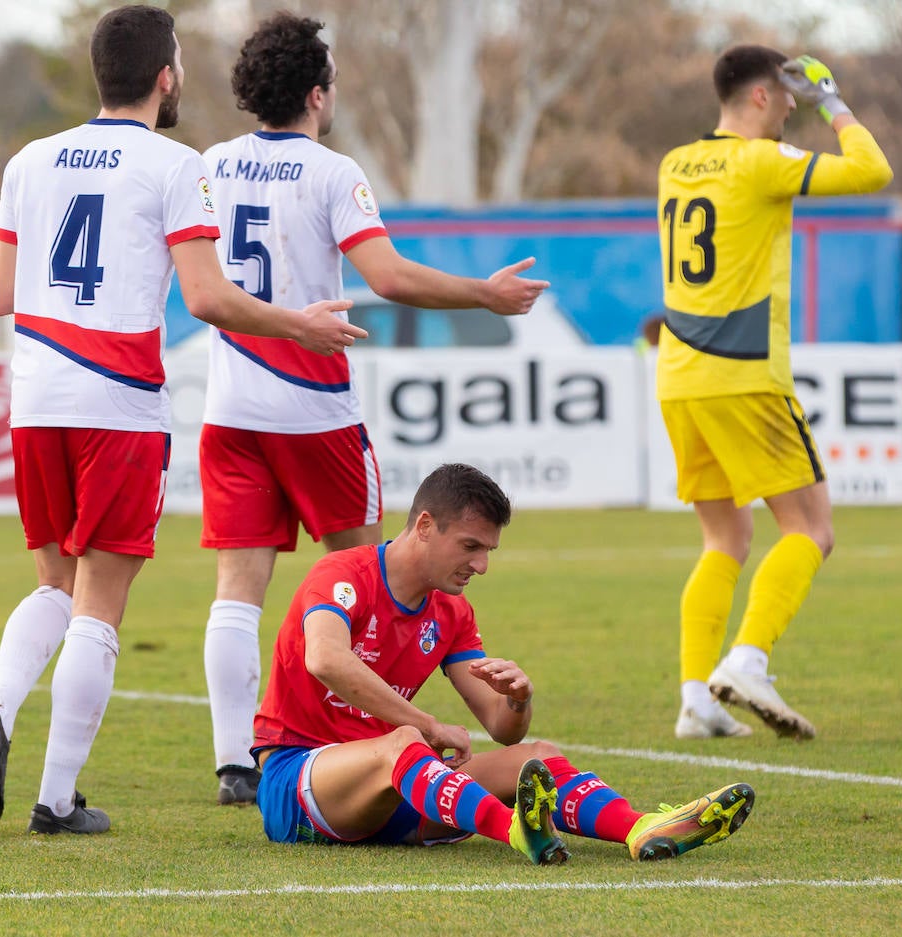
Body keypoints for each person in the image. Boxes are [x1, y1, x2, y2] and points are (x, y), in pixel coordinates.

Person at [0, 4, 364, 836]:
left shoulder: (29, 160)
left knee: (52, 586)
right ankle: (57, 799)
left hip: (35, 398)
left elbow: (0, 296)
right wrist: (302, 324)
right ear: (165, 77)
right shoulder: (176, 165)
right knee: (100, 604)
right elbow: (210, 298)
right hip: (117, 402)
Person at [196, 13, 548, 806]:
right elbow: (386, 276)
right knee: (376, 582)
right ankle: (385, 742)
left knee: (236, 588)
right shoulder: (330, 171)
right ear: (318, 93)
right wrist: (485, 294)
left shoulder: (211, 164)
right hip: (315, 411)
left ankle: (234, 762)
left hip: (231, 408)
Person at [251, 462, 756, 864]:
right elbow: (324, 658)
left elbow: (501, 728)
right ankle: (511, 829)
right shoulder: (344, 574)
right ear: (424, 526)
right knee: (404, 742)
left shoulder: (451, 610)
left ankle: (641, 827)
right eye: (470, 547)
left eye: (488, 550)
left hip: (395, 790)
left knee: (534, 753)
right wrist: (425, 723)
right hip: (298, 785)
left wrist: (517, 700)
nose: (481, 565)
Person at [654, 48, 893, 741]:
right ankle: (748, 660)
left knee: (724, 534)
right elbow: (873, 170)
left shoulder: (675, 162)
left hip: (680, 374)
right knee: (811, 528)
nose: (794, 110)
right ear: (761, 96)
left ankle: (697, 696)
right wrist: (833, 101)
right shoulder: (761, 162)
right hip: (743, 371)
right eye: (787, 98)